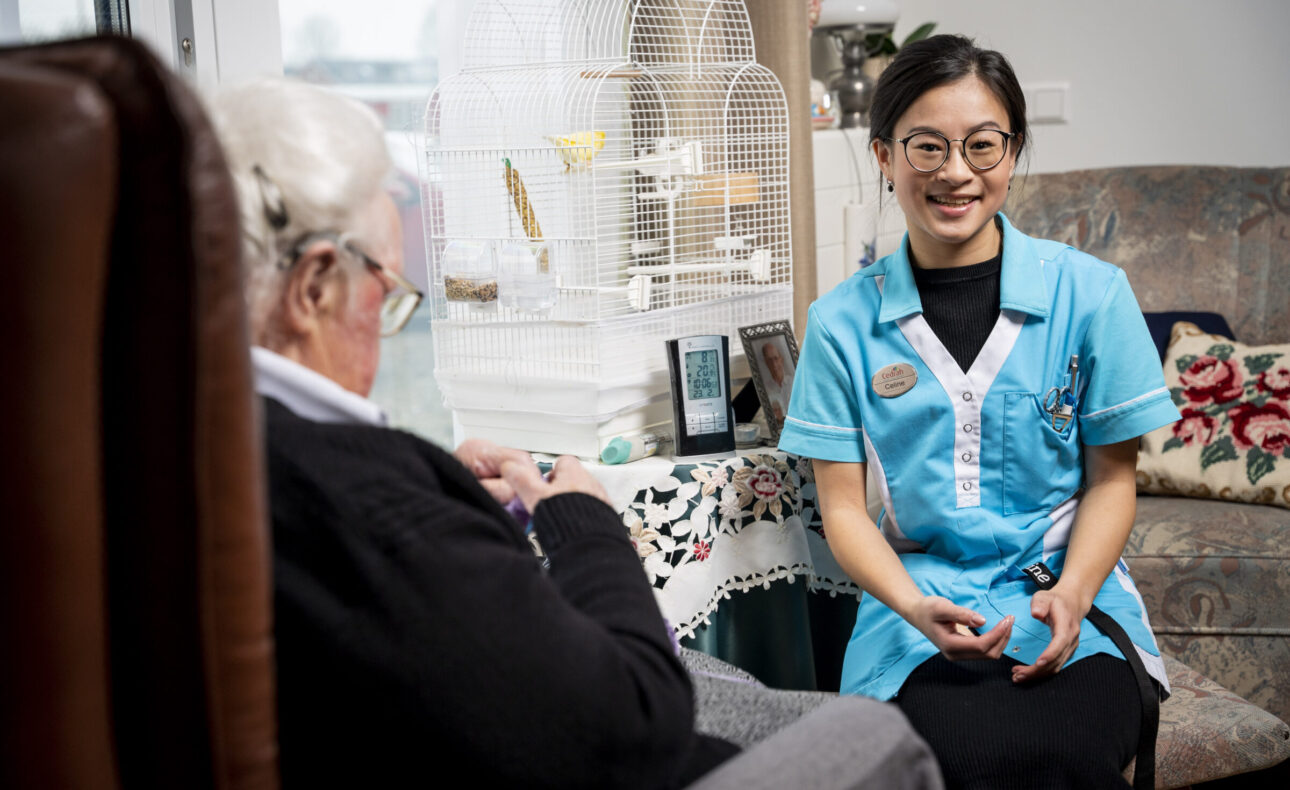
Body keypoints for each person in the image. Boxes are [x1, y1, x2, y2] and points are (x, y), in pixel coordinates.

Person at [210, 79, 738, 789]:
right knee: (869, 735)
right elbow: (635, 727)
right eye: (384, 296)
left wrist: (447, 502)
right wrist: (585, 526)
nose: (382, 328)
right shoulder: (374, 512)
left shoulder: (189, 441)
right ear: (312, 290)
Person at [778, 35, 1181, 789]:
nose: (955, 172)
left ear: (1012, 150)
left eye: (982, 146)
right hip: (915, 617)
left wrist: (1073, 591)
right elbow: (844, 511)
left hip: (1072, 607)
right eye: (926, 146)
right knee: (952, 760)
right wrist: (911, 605)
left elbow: (1112, 481)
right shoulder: (838, 325)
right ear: (884, 156)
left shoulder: (1092, 296)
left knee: (1063, 756)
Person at [758, 339, 794, 422]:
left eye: (776, 358)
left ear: (781, 359)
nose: (774, 364)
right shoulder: (764, 389)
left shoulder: (794, 382)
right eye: (769, 360)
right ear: (766, 363)